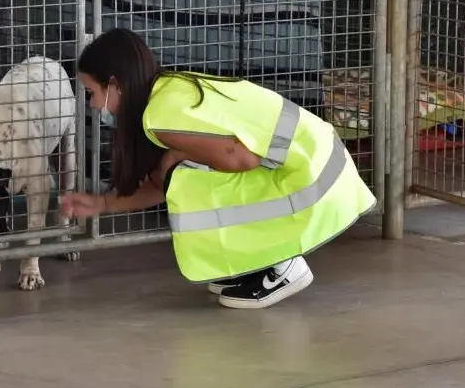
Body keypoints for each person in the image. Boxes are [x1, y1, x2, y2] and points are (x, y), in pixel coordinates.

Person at [61, 28, 377, 309]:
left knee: (185, 174)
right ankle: (258, 264)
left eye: (92, 93)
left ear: (115, 85)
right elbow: (161, 182)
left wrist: (173, 155)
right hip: (324, 167)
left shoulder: (157, 116)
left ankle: (282, 265)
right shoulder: (170, 89)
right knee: (180, 168)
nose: (91, 104)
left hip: (314, 181)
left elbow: (241, 159)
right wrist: (103, 203)